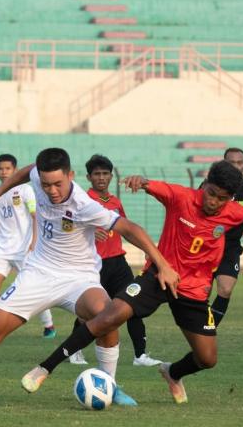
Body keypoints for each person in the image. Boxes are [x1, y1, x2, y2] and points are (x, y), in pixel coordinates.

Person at [0, 147, 172, 407]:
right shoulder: (37, 176)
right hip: (38, 273)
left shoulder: (85, 205)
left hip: (79, 278)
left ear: (71, 175)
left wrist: (162, 265)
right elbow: (26, 171)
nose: (51, 191)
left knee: (107, 316)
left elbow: (129, 228)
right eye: (46, 185)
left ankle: (110, 387)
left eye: (57, 184)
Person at [21, 161, 243, 404]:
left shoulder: (233, 212)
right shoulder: (181, 196)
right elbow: (152, 185)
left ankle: (172, 373)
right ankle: (44, 368)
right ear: (204, 185)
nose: (213, 201)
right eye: (211, 193)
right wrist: (140, 182)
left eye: (222, 198)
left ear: (230, 198)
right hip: (158, 276)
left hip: (193, 290)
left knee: (207, 359)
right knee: (110, 316)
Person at [68, 154, 163, 367]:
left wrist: (147, 249)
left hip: (119, 263)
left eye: (105, 174)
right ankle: (74, 351)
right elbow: (70, 229)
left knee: (133, 303)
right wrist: (91, 232)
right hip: (96, 264)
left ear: (111, 176)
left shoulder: (115, 202)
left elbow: (126, 228)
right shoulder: (83, 201)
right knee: (90, 311)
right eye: (96, 174)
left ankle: (140, 355)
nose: (101, 178)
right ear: (89, 177)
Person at [0, 154, 55, 339]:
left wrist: (34, 242)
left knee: (31, 288)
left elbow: (35, 216)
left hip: (25, 248)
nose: (4, 172)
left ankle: (48, 325)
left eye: (7, 169)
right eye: (0, 169)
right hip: (3, 248)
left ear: (15, 170)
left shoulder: (25, 190)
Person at [209, 148, 243, 326]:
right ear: (223, 164)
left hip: (230, 248)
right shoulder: (209, 186)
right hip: (207, 245)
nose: (236, 167)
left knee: (226, 288)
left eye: (239, 163)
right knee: (202, 292)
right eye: (231, 163)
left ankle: (209, 329)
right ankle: (200, 331)